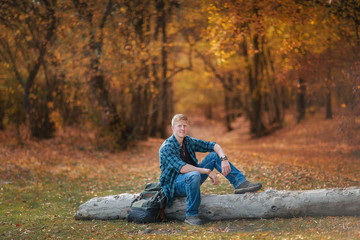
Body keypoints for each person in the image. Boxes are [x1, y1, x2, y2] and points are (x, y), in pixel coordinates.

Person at [159, 114, 262, 226]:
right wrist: (207, 171)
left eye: (184, 126)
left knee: (213, 156)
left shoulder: (188, 141)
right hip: (174, 185)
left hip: (192, 179)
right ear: (173, 127)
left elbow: (213, 145)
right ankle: (191, 215)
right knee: (194, 174)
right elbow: (183, 168)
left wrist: (224, 158)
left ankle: (240, 183)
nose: (182, 129)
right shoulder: (167, 147)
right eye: (179, 126)